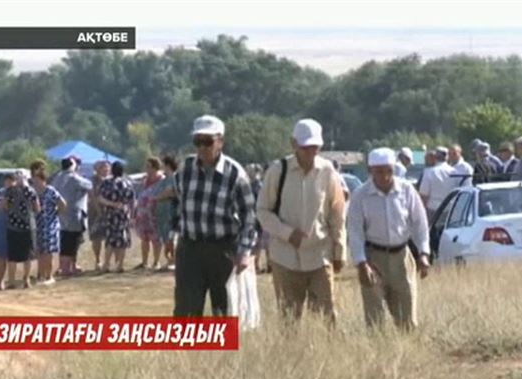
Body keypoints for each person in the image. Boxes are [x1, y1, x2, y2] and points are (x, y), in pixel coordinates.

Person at [256, 118, 346, 325]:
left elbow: (337, 213)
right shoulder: (278, 171)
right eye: (305, 147)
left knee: (327, 317)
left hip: (319, 255)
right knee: (289, 319)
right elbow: (262, 211)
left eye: (314, 147)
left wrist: (339, 251)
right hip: (285, 257)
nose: (310, 152)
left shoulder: (328, 171)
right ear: (293, 144)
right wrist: (287, 233)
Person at [174, 115, 257, 317]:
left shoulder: (235, 175)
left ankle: (220, 349)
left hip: (223, 250)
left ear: (220, 141)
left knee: (224, 310)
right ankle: (184, 348)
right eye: (197, 142)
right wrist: (172, 235)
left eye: (208, 142)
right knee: (186, 310)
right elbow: (179, 204)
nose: (202, 148)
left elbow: (249, 218)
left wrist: (245, 252)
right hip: (190, 249)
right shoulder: (185, 169)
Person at [347, 148, 430, 331]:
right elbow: (355, 231)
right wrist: (361, 264)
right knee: (375, 320)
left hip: (401, 257)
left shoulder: (406, 190)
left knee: (407, 319)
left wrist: (423, 253)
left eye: (388, 171)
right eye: (379, 171)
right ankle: (379, 355)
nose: (384, 176)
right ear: (370, 171)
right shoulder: (360, 196)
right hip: (373, 258)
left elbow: (420, 223)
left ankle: (407, 354)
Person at [52, 157, 93, 277]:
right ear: (72, 165)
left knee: (64, 240)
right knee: (72, 241)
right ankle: (67, 269)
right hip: (73, 215)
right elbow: (89, 185)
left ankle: (65, 267)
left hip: (60, 214)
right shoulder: (74, 177)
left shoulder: (57, 177)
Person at [4, 171, 40, 288]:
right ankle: (26, 280)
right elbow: (37, 208)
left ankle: (12, 281)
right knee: (27, 255)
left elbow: (5, 206)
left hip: (13, 226)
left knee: (12, 256)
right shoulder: (31, 191)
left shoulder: (10, 191)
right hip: (28, 226)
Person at [98, 161, 135, 273]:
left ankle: (106, 264)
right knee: (122, 239)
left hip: (110, 214)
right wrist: (132, 215)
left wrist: (112, 204)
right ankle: (120, 265)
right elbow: (132, 201)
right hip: (124, 214)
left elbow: (100, 198)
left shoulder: (107, 183)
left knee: (110, 239)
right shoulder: (127, 183)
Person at [31, 164, 66, 285]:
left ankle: (49, 276)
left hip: (50, 225)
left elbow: (62, 204)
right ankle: (40, 275)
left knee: (48, 252)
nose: (34, 182)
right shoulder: (34, 192)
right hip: (39, 225)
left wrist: (55, 214)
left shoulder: (50, 191)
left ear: (42, 180)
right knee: (40, 251)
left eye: (36, 179)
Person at [134, 157, 166, 270]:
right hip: (143, 213)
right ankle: (144, 262)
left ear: (155, 167)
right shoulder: (145, 180)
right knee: (144, 238)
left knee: (156, 238)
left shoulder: (162, 180)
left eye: (148, 166)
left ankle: (156, 262)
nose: (146, 168)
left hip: (156, 213)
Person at [152, 155, 179, 271]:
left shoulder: (173, 177)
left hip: (170, 212)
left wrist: (157, 198)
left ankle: (173, 261)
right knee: (165, 236)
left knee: (170, 237)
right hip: (162, 213)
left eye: (163, 164)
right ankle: (169, 260)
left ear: (168, 165)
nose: (161, 166)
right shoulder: (164, 179)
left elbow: (169, 192)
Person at [419, 147, 459, 223]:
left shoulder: (429, 172)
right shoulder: (454, 172)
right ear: (446, 157)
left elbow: (424, 195)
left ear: (435, 157)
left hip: (433, 210)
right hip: (450, 210)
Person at [0, 173, 15, 290]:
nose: (9, 183)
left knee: (14, 256)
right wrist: (3, 204)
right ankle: (0, 282)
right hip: (1, 226)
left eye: (11, 181)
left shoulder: (19, 192)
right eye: (7, 181)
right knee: (1, 256)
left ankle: (13, 281)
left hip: (16, 227)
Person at [88, 160, 111, 271]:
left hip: (109, 212)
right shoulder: (92, 181)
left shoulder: (111, 181)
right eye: (103, 168)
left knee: (109, 237)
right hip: (95, 212)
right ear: (97, 170)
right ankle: (97, 260)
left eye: (107, 168)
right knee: (96, 237)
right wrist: (99, 211)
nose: (106, 170)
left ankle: (108, 261)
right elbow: (92, 197)